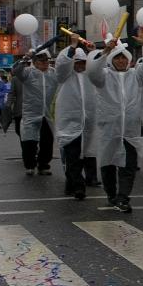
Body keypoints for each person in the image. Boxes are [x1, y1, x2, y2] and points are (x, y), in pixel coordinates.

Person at [86, 30, 143, 213]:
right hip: (109, 129)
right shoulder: (103, 76)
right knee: (108, 164)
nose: (121, 61)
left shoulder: (136, 75)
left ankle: (123, 198)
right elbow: (92, 70)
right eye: (117, 58)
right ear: (112, 60)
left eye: (124, 58)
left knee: (128, 166)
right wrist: (105, 51)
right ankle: (111, 195)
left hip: (130, 131)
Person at [54, 38, 99, 199]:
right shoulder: (65, 75)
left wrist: (94, 53)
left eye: (83, 63)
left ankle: (71, 184)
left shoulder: (90, 76)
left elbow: (100, 66)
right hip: (69, 122)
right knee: (73, 156)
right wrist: (72, 47)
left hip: (88, 122)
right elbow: (61, 65)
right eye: (77, 62)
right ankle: (79, 187)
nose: (80, 65)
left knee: (82, 156)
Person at [13, 49, 58, 176]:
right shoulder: (28, 73)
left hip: (47, 114)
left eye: (46, 60)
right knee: (29, 142)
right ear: (34, 61)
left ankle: (44, 165)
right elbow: (15, 70)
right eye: (41, 60)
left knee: (47, 141)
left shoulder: (53, 73)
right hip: (30, 113)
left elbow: (65, 72)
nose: (44, 63)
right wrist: (25, 58)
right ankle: (30, 165)